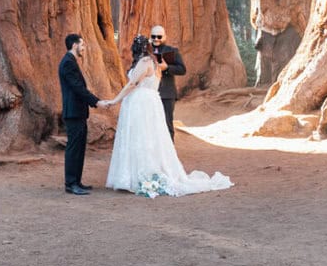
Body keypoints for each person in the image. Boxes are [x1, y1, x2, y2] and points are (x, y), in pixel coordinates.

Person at [98, 35, 231, 197]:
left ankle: (140, 175)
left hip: (142, 103)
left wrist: (114, 100)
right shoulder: (154, 63)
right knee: (145, 137)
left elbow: (133, 84)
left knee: (142, 136)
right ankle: (134, 175)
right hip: (149, 102)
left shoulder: (145, 62)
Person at [58, 33, 101, 195]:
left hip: (79, 112)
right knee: (74, 148)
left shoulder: (71, 62)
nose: (84, 48)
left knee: (80, 148)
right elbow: (77, 88)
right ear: (75, 45)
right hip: (73, 113)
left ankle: (77, 181)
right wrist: (96, 101)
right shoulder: (68, 63)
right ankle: (70, 183)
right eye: (82, 45)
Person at [149, 25, 185, 141]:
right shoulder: (146, 51)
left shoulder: (172, 51)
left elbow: (182, 69)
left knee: (167, 122)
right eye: (153, 36)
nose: (156, 39)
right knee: (151, 123)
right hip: (149, 93)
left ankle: (170, 152)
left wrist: (167, 67)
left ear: (165, 36)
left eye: (159, 36)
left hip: (167, 93)